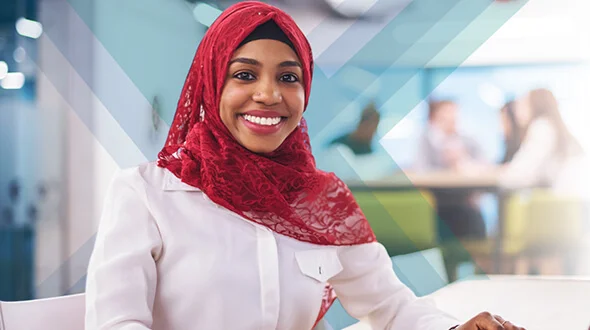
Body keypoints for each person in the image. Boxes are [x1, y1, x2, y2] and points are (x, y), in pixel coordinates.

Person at [84, 2, 524, 330]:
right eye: (244, 75)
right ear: (210, 81)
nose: (269, 94)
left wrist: (454, 328)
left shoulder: (322, 201)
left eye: (289, 77)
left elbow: (389, 306)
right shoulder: (145, 194)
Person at [414, 100, 488, 241]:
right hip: (438, 203)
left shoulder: (467, 139)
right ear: (435, 118)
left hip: (465, 201)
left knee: (473, 217)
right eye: (445, 116)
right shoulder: (427, 140)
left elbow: (484, 165)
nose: (451, 119)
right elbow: (421, 169)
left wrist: (462, 160)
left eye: (454, 115)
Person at [499, 88, 588, 194]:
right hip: (569, 200)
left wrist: (500, 174)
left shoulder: (542, 128)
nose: (518, 111)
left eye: (524, 104)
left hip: (558, 200)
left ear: (536, 105)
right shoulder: (554, 128)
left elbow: (521, 176)